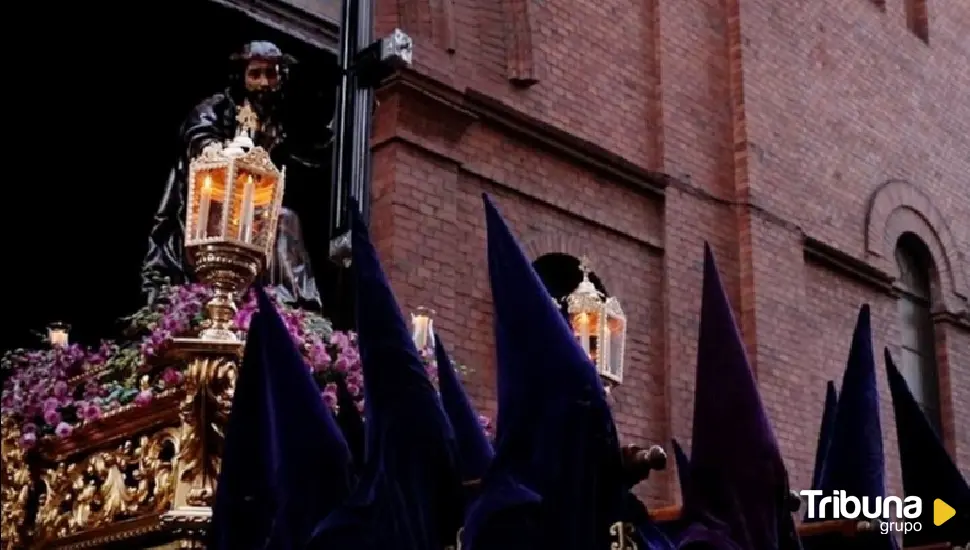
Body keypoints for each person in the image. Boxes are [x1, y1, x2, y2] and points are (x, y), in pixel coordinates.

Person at [141, 41, 327, 309]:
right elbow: (199, 136)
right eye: (255, 74)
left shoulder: (274, 123)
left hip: (253, 208)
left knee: (285, 219)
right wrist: (225, 153)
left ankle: (289, 300)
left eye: (271, 74)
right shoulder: (216, 107)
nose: (264, 83)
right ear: (241, 76)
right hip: (207, 202)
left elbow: (306, 161)